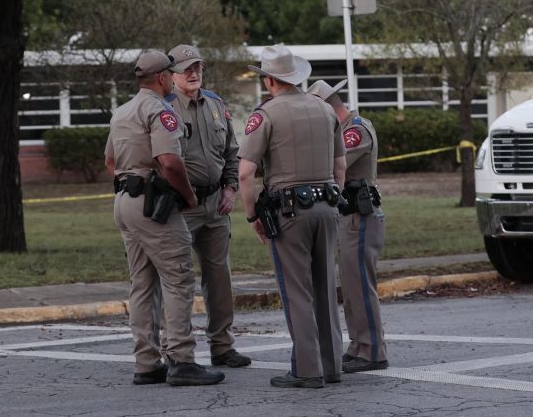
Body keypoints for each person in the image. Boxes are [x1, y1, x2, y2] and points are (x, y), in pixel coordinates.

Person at [104, 51, 225, 387]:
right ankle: (182, 359)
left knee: (142, 283)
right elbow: (170, 161)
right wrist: (187, 196)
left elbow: (110, 162)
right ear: (162, 78)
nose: (174, 79)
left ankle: (146, 362)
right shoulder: (161, 110)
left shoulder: (123, 111)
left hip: (125, 201)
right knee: (178, 277)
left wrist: (137, 175)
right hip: (153, 205)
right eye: (171, 74)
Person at [238, 45, 347, 388]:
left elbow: (245, 173)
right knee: (326, 288)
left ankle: (306, 369)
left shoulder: (266, 115)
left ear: (270, 81)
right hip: (328, 206)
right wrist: (334, 197)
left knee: (298, 291)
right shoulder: (324, 109)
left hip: (289, 212)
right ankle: (332, 366)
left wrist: (253, 214)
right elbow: (340, 164)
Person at [163, 44, 251, 368]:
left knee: (219, 278)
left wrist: (230, 189)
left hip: (216, 204)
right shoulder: (164, 108)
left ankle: (222, 346)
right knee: (177, 281)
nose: (194, 73)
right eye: (186, 68)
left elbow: (232, 152)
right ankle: (175, 350)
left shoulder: (216, 104)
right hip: (179, 208)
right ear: (170, 75)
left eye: (197, 67)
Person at [307, 80, 389, 373]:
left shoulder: (355, 131)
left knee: (360, 287)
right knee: (353, 288)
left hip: (360, 216)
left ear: (329, 107)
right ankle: (359, 346)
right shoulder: (343, 130)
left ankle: (372, 350)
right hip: (350, 216)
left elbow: (331, 165)